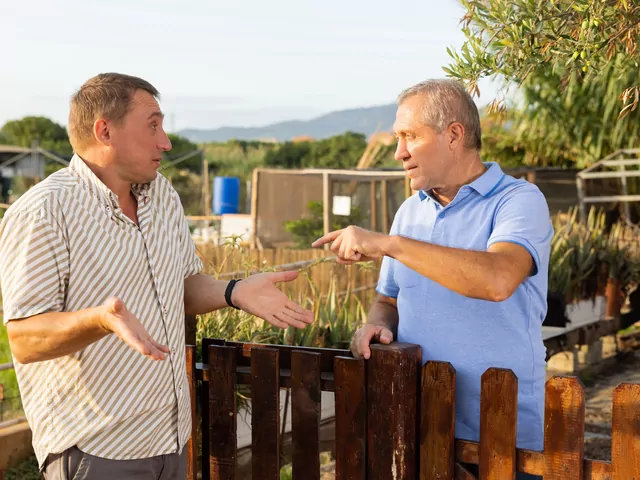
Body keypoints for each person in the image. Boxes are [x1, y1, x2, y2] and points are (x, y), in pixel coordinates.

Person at [0, 72, 314, 480]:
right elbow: (24, 339)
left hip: (171, 441)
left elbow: (183, 286)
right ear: (105, 130)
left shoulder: (163, 194)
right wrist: (99, 320)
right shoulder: (44, 211)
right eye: (153, 125)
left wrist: (234, 291)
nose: (165, 141)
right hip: (97, 451)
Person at [312, 78, 551, 479]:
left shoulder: (519, 201)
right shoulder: (410, 212)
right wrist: (375, 325)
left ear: (454, 134)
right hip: (420, 427)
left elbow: (498, 279)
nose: (399, 152)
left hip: (503, 436)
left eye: (410, 136)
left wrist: (391, 244)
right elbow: (388, 301)